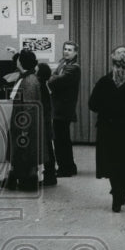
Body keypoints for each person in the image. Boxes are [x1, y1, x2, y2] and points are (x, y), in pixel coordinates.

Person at [88, 46, 125, 212]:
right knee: (116, 163)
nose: (121, 69)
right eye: (118, 65)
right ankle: (118, 192)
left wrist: (111, 108)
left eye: (124, 66)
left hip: (121, 129)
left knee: (119, 163)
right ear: (113, 64)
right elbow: (92, 104)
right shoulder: (109, 82)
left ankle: (119, 190)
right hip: (114, 129)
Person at [5, 48, 42, 191]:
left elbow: (29, 106)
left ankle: (26, 182)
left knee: (25, 154)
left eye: (19, 59)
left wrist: (24, 129)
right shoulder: (26, 77)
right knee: (21, 153)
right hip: (21, 122)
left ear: (22, 62)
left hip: (25, 124)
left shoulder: (29, 80)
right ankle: (17, 180)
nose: (17, 61)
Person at [49, 41, 81, 176]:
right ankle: (69, 166)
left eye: (70, 50)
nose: (66, 51)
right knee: (62, 139)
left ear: (75, 53)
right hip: (59, 108)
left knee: (61, 140)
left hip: (63, 109)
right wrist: (54, 77)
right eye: (65, 49)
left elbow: (54, 81)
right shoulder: (64, 64)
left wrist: (52, 78)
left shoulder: (73, 68)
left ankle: (65, 168)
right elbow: (54, 76)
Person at [36, 62, 57, 186]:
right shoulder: (44, 86)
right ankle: (50, 175)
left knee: (47, 149)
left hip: (44, 122)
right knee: (49, 148)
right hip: (47, 121)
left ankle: (50, 176)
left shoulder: (41, 87)